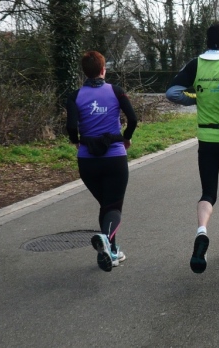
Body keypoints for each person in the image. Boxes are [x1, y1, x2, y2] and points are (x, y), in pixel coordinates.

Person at [166, 23, 219, 274]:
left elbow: (172, 92)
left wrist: (196, 98)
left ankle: (202, 231)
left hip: (206, 137)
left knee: (208, 192)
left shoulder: (196, 63)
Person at [66, 51, 138, 272]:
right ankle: (107, 240)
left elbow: (71, 126)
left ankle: (112, 251)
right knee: (113, 206)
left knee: (106, 205)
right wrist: (126, 138)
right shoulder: (116, 91)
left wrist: (76, 141)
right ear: (103, 70)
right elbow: (133, 118)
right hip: (114, 157)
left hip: (88, 161)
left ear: (84, 72)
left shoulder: (75, 96)